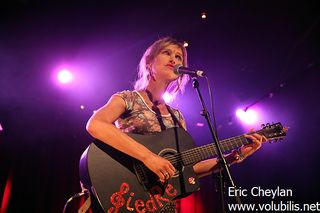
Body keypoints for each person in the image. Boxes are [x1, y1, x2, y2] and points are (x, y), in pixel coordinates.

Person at [85, 37, 267, 212]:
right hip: (124, 188)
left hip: (157, 203)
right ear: (149, 62)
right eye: (166, 53)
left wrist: (234, 157)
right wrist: (149, 157)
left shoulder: (176, 116)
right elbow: (95, 125)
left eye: (178, 56)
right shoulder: (127, 98)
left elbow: (189, 169)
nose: (174, 59)